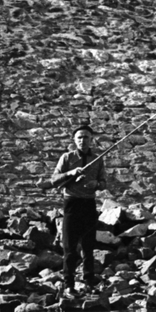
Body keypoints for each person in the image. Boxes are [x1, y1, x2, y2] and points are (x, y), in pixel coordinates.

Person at [50, 124, 109, 293]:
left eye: (86, 137)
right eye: (80, 137)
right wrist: (70, 173)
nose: (83, 140)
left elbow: (104, 182)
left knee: (88, 245)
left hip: (89, 203)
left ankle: (89, 281)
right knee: (69, 246)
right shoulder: (67, 158)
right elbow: (54, 179)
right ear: (74, 140)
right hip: (71, 203)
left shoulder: (98, 159)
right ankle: (68, 284)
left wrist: (95, 184)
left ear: (91, 140)